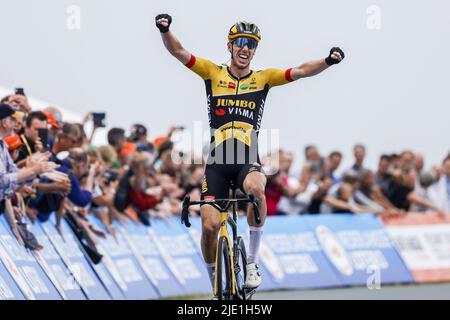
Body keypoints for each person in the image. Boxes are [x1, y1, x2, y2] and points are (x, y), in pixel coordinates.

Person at [155, 13, 345, 294]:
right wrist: (165, 30)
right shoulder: (212, 72)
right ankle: (214, 288)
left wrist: (328, 61)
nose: (246, 48)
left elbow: (302, 70)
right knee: (208, 227)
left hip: (246, 157)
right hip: (218, 161)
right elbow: (178, 51)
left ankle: (253, 261)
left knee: (257, 188)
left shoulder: (263, 78)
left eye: (252, 44)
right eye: (241, 42)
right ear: (230, 46)